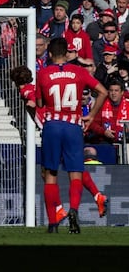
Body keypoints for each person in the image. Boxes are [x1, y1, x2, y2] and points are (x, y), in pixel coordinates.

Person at [35, 37, 108, 233]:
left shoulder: (43, 73)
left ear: (49, 54)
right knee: (75, 172)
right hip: (74, 126)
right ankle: (74, 210)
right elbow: (103, 91)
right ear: (67, 53)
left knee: (50, 173)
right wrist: (91, 116)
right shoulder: (79, 72)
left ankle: (52, 224)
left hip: (52, 125)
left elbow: (40, 104)